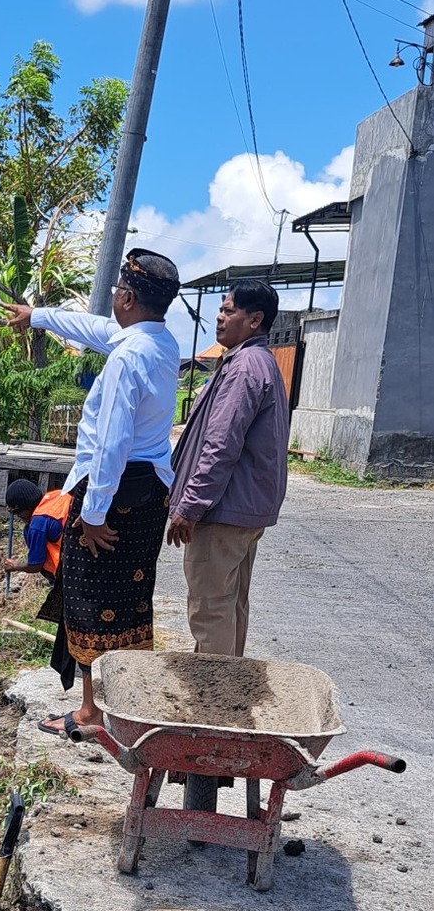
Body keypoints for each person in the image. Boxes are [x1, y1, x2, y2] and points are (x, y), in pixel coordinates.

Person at [6, 248, 181, 735]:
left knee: (88, 599)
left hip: (114, 493)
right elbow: (95, 329)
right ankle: (125, 704)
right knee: (132, 601)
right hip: (149, 492)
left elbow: (111, 444)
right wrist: (38, 316)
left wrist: (95, 513)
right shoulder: (161, 342)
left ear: (127, 298)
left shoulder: (127, 358)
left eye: (117, 292)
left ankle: (90, 713)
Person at [166, 280, 288, 657]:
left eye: (229, 310)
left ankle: (212, 690)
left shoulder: (245, 367)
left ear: (255, 320)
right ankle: (229, 684)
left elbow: (220, 445)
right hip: (241, 509)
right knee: (230, 604)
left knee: (211, 609)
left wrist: (190, 506)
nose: (219, 317)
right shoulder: (255, 361)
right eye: (221, 309)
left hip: (223, 510)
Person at [2, 478, 72, 604]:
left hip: (70, 571)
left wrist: (15, 566)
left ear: (27, 508)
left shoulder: (37, 525)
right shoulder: (57, 495)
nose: (20, 517)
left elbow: (35, 565)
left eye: (18, 513)